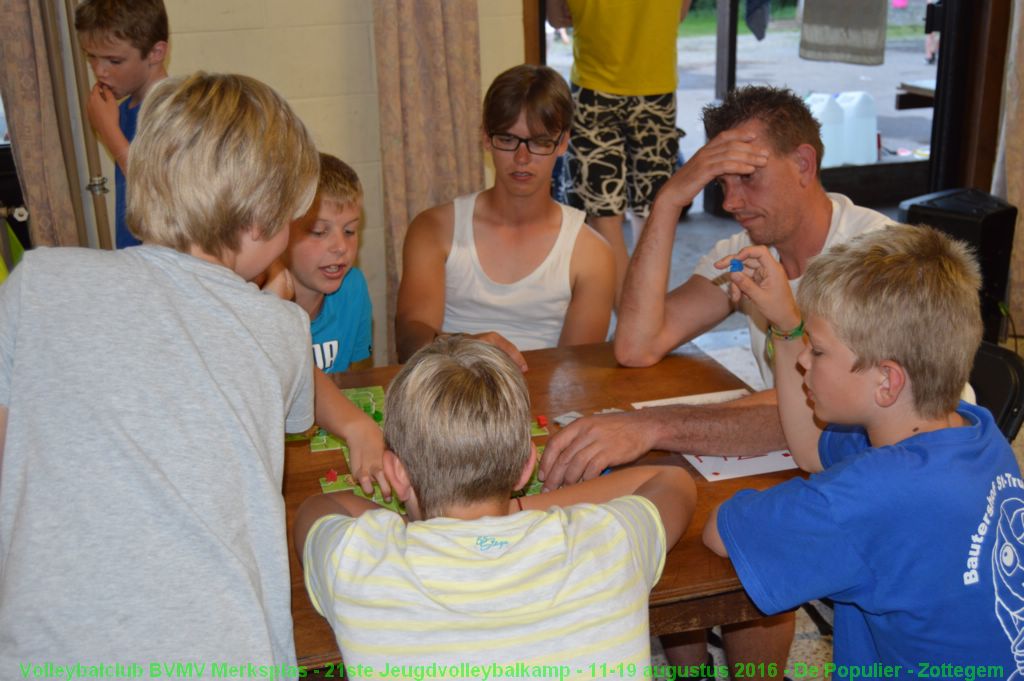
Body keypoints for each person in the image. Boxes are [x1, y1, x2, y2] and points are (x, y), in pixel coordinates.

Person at [0, 72, 348, 669]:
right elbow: (291, 414)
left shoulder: (38, 280)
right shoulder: (280, 327)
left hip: (50, 651)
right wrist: (275, 307)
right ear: (260, 223)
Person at [540, 85, 891, 674]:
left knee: (698, 505)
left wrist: (650, 425)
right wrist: (670, 200)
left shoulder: (875, 258)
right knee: (674, 498)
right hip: (805, 456)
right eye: (718, 181)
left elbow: (820, 415)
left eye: (746, 178)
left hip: (878, 482)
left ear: (803, 164)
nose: (730, 201)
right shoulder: (748, 250)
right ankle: (691, 665)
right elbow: (637, 342)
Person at [703, 224, 1019, 667]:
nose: (804, 363)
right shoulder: (975, 432)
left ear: (887, 380)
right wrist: (788, 326)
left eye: (820, 352)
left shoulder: (864, 498)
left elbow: (721, 533)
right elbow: (813, 452)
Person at [294, 336, 696, 673]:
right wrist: (522, 510)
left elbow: (320, 507)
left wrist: (400, 524)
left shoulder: (357, 562)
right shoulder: (607, 543)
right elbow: (670, 481)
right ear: (525, 468)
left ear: (397, 473)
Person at [396, 64, 614, 371]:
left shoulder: (592, 253)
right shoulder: (434, 229)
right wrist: (465, 348)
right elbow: (407, 340)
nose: (522, 158)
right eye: (508, 140)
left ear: (563, 143)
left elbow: (575, 374)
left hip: (540, 403)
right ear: (486, 138)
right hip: (447, 397)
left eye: (539, 142)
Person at [547, 0, 692, 304]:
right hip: (655, 85)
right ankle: (643, 319)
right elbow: (679, 12)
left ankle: (634, 321)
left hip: (595, 87)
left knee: (605, 212)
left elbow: (558, 17)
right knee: (654, 210)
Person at [265, 153, 373, 374]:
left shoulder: (353, 288)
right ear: (280, 232)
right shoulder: (259, 300)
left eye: (350, 231)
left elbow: (353, 382)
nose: (341, 247)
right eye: (319, 232)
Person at [75, 0, 169, 249]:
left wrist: (110, 133)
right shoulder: (126, 109)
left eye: (113, 61)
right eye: (91, 57)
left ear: (156, 53)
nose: (99, 71)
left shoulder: (176, 111)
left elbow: (167, 199)